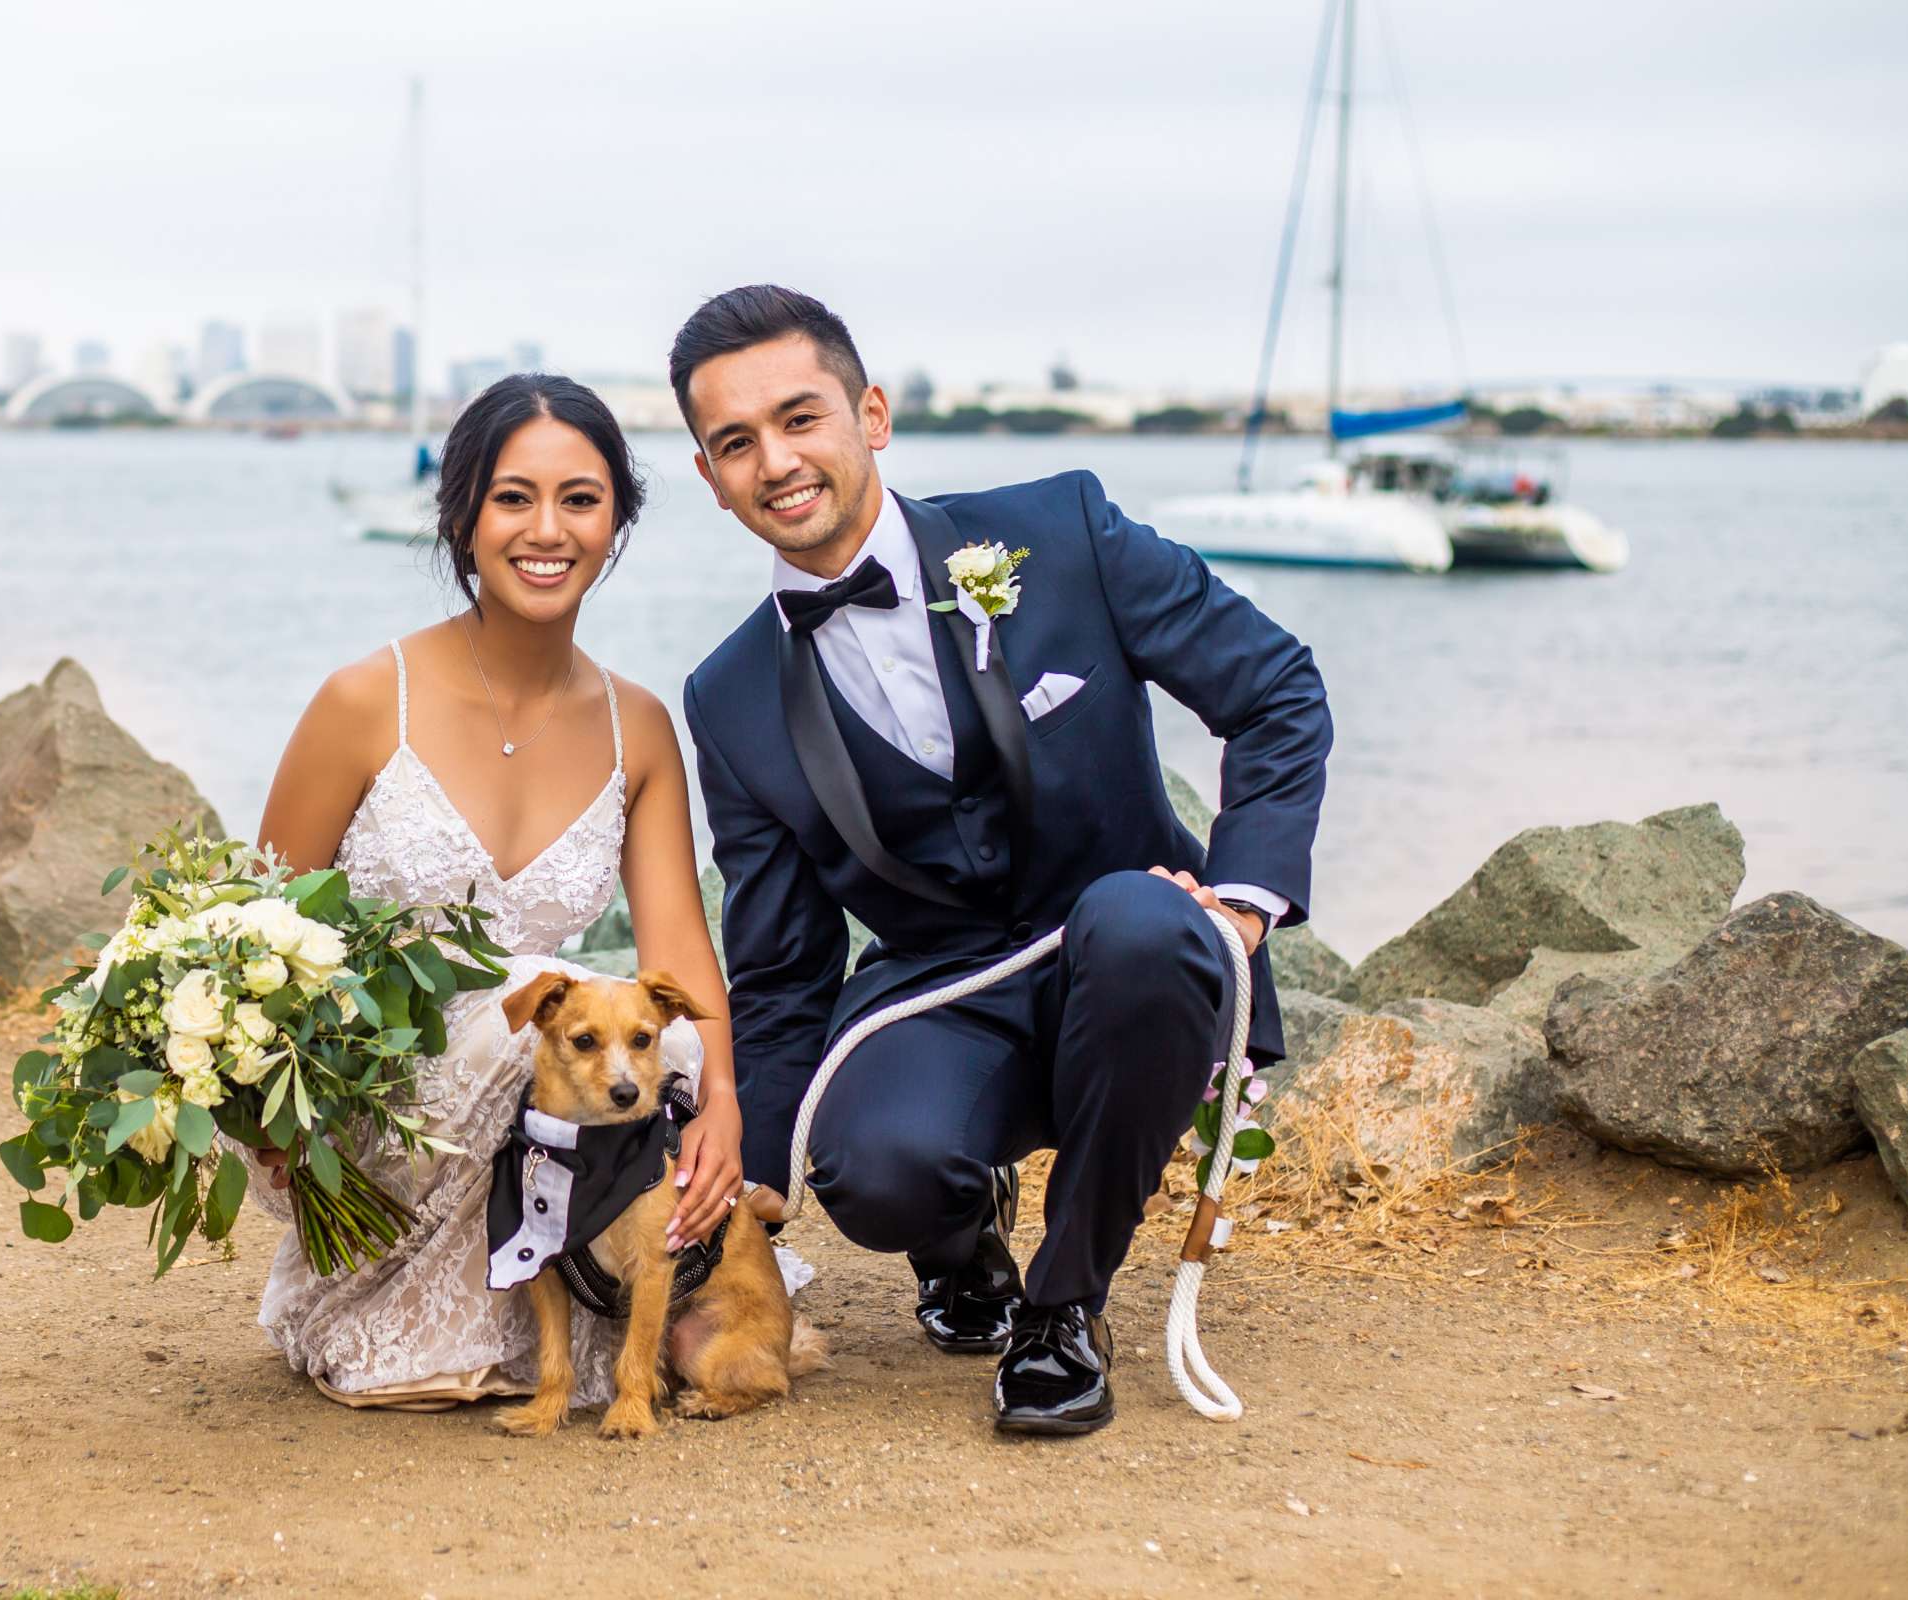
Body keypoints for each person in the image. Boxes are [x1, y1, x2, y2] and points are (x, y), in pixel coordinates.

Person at [674, 286, 1332, 1435]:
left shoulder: (1060, 532)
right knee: (871, 1163)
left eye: (800, 418)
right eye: (738, 442)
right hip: (941, 990)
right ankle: (956, 1226)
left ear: (870, 414)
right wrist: (756, 1190)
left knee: (1139, 926)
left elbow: (1276, 692)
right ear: (710, 475)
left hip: (1136, 955)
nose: (776, 461)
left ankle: (1064, 1310)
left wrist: (1237, 905)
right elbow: (781, 969)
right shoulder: (726, 700)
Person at [237, 374, 750, 1410]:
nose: (547, 529)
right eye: (514, 497)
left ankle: (587, 1301)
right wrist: (268, 1121)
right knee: (534, 1009)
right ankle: (396, 1293)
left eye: (581, 499)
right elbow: (259, 934)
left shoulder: (637, 727)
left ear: (617, 523)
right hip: (371, 1100)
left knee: (672, 1044)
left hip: (545, 1099)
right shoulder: (364, 701)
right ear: (461, 513)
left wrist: (727, 1100)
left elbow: (679, 951)